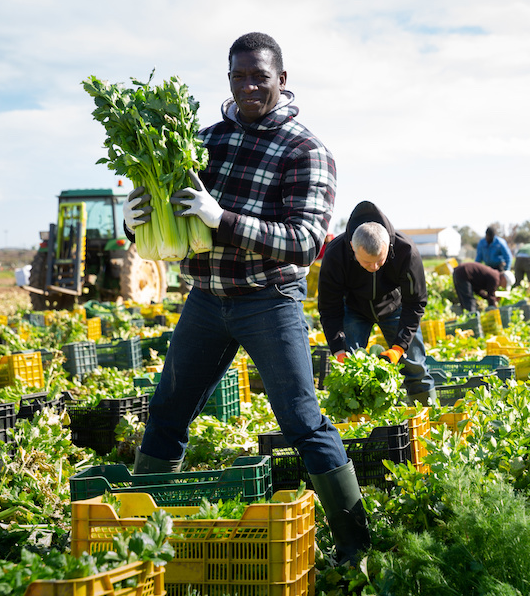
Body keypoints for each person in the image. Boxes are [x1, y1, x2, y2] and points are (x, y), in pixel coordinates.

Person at [121, 32, 370, 565]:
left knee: (302, 421)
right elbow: (169, 217)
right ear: (229, 79)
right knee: (166, 412)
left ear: (282, 79)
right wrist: (133, 220)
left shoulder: (307, 151)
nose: (249, 86)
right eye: (239, 76)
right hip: (207, 300)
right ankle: (140, 543)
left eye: (260, 76)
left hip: (270, 300)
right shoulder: (203, 139)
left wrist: (222, 220)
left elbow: (305, 243)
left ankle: (355, 549)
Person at [318, 201, 437, 406]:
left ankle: (428, 416)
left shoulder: (405, 250)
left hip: (395, 306)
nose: (374, 267)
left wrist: (399, 347)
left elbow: (415, 302)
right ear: (352, 249)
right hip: (354, 308)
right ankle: (358, 424)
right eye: (366, 263)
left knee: (415, 366)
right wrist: (338, 349)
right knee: (351, 370)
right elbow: (329, 307)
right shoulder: (335, 254)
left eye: (380, 262)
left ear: (387, 246)